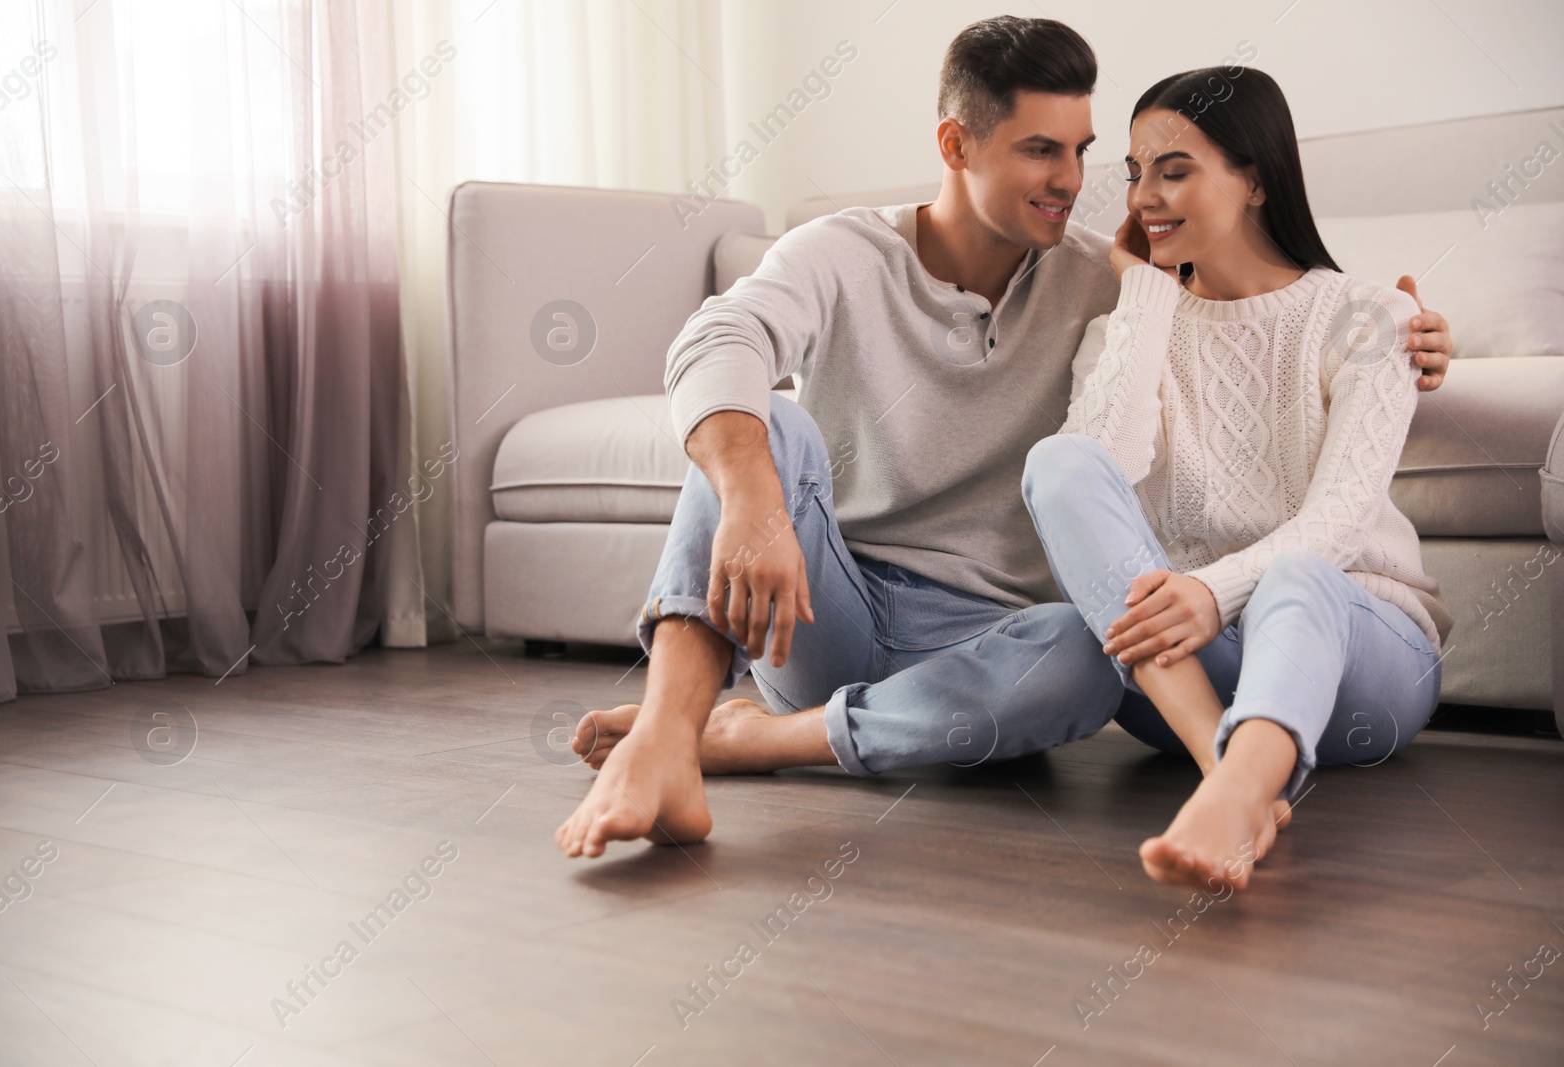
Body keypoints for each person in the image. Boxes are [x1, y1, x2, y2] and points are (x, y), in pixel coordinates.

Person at [554, 18, 1454, 860]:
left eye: (1082, 153)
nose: (1077, 181)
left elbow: (1269, 323)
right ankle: (669, 738)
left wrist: (1409, 333)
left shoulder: (1107, 279)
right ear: (956, 146)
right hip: (830, 614)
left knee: (1089, 653)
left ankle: (761, 740)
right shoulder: (842, 251)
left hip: (998, 644)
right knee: (756, 423)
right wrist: (753, 499)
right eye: (1040, 150)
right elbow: (718, 342)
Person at [1022, 66, 1452, 889]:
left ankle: (1239, 790)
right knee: (1057, 459)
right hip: (1188, 671)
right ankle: (1223, 761)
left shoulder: (1368, 317)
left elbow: (1342, 523)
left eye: (1174, 170)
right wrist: (1145, 293)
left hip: (1363, 667)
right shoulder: (1126, 331)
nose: (1146, 194)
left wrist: (1214, 590)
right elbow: (1093, 478)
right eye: (1136, 172)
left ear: (1255, 178)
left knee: (1299, 573)